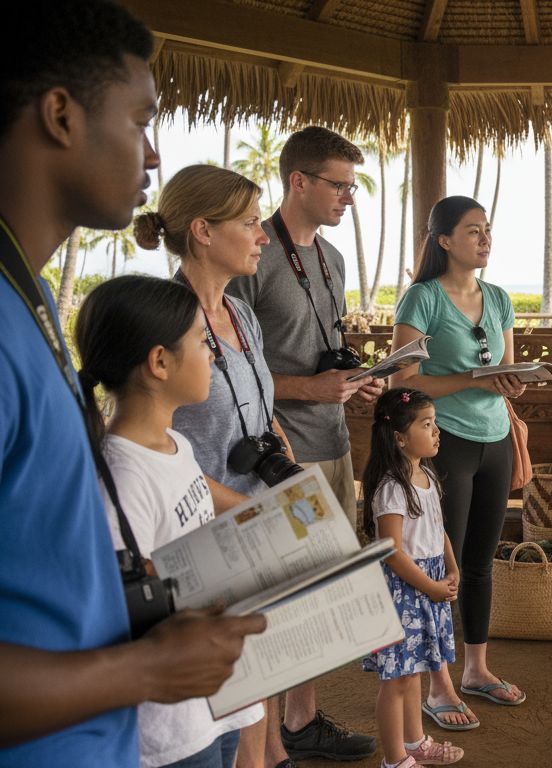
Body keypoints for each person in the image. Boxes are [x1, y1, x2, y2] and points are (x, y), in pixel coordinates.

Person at [0, 1, 264, 763]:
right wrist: (143, 668)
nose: (152, 157)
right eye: (141, 121)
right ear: (60, 115)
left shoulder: (33, 300)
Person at [134, 164, 307, 768]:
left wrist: (292, 477)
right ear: (204, 232)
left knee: (255, 691)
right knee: (220, 706)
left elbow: (263, 414)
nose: (264, 236)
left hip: (257, 525)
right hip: (203, 541)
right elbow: (153, 450)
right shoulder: (164, 324)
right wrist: (261, 509)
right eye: (253, 223)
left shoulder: (244, 315)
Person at [225, 124, 380, 764]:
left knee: (322, 593)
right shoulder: (254, 256)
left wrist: (352, 383)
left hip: (336, 441)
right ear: (299, 181)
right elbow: (228, 362)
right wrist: (311, 390)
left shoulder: (333, 259)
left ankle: (301, 719)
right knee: (274, 602)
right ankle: (262, 746)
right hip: (280, 452)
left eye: (351, 186)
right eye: (339, 186)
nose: (348, 198)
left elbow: (321, 352)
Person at [74, 275, 266, 767]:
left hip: (214, 693)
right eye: (203, 342)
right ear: (159, 362)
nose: (213, 355)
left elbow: (196, 486)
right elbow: (122, 592)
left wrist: (267, 517)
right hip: (170, 720)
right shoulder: (120, 474)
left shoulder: (173, 443)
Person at [391, 196, 528, 725]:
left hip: (494, 439)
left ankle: (476, 669)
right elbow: (403, 380)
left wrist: (515, 382)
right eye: (473, 231)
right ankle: (438, 681)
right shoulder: (422, 299)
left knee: (479, 562)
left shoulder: (497, 298)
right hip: (443, 440)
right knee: (436, 562)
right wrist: (474, 379)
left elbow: (506, 372)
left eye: (488, 229)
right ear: (444, 241)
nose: (485, 238)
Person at [361, 388, 466, 767]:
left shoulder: (426, 475)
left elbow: (439, 531)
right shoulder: (393, 487)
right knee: (397, 680)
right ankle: (395, 760)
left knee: (416, 669)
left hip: (428, 584)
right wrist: (431, 586)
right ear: (399, 437)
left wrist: (451, 569)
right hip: (403, 592)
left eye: (435, 423)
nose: (436, 431)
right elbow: (391, 551)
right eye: (427, 424)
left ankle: (415, 742)